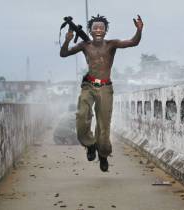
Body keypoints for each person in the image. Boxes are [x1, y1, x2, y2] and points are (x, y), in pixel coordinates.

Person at [60, 14, 143, 172]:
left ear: (106, 31)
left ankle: (103, 155)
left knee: (104, 126)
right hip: (89, 85)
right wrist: (67, 40)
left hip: (105, 88)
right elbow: (63, 54)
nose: (98, 30)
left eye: (101, 28)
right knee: (82, 115)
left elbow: (133, 42)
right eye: (95, 28)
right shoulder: (85, 45)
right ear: (90, 31)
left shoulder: (112, 44)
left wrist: (139, 30)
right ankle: (90, 144)